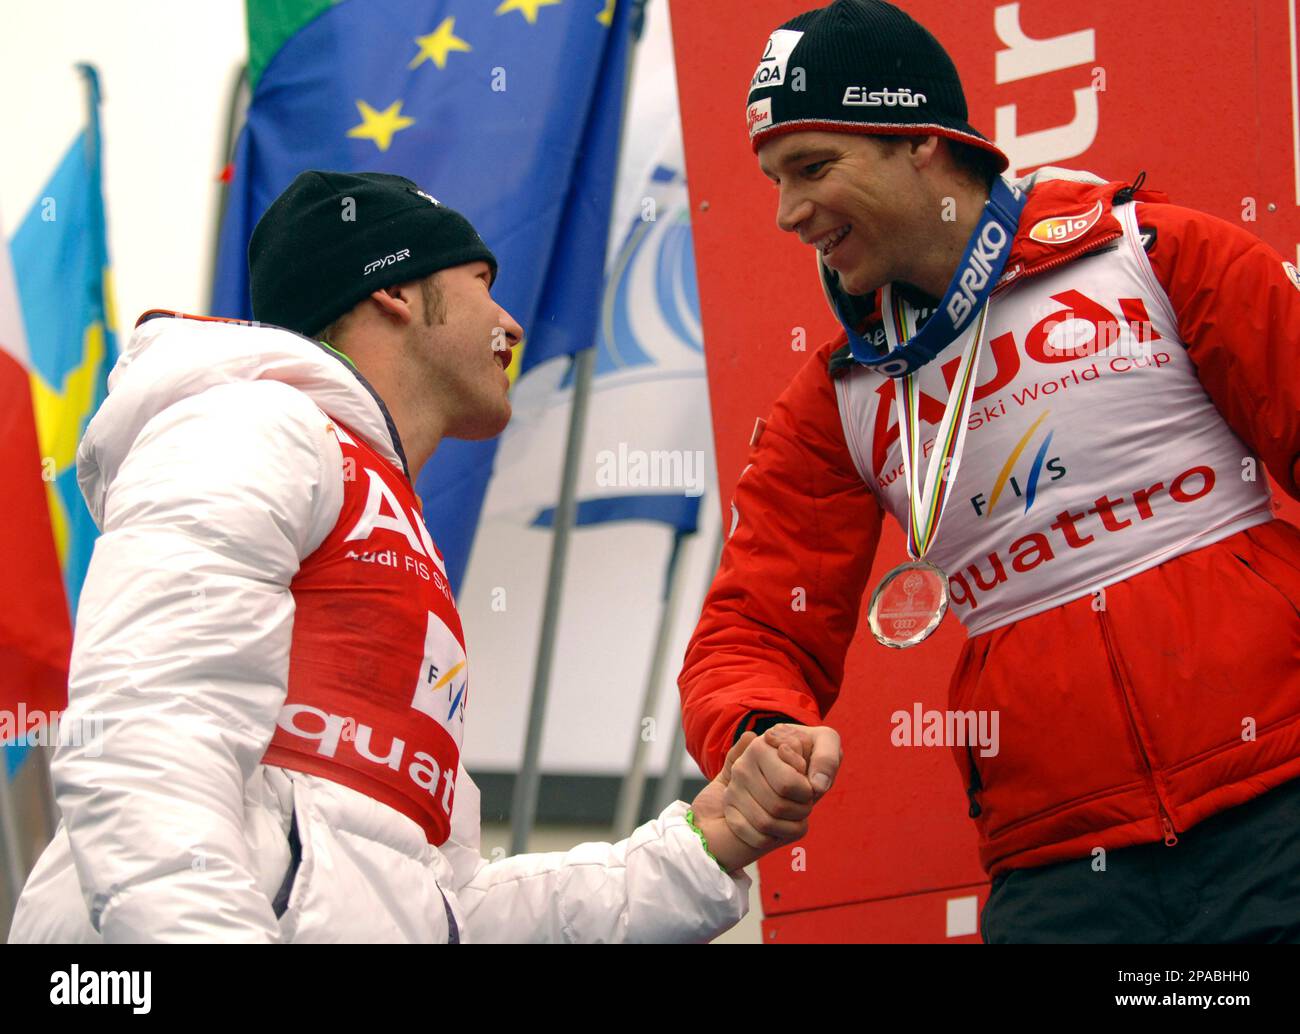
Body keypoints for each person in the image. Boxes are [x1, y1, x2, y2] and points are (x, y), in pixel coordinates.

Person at [10, 170, 825, 944]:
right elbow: (148, 736)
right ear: (394, 290)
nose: (512, 325)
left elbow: (443, 902)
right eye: (481, 285)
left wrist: (700, 845)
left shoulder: (395, 525)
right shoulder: (256, 423)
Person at [679, 0, 1300, 943]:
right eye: (772, 179)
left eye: (812, 168)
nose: (786, 212)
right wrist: (758, 731)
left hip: (1279, 796)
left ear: (923, 144)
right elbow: (753, 627)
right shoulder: (837, 398)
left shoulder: (1150, 253)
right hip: (1059, 868)